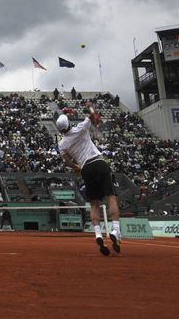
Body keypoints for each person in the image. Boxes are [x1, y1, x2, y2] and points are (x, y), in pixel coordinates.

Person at [57, 102, 121, 256]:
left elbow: (66, 161)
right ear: (69, 123)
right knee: (111, 197)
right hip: (98, 162)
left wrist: (76, 167)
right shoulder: (81, 127)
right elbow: (94, 116)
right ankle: (116, 230)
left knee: (94, 204)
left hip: (85, 168)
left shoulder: (62, 144)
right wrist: (91, 106)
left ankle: (98, 234)